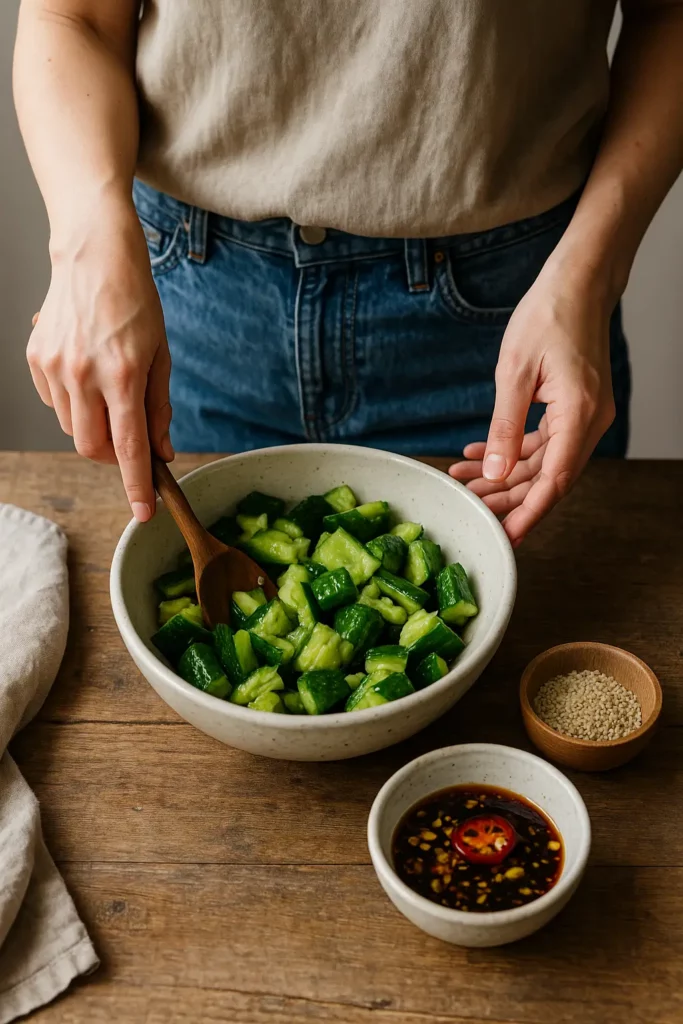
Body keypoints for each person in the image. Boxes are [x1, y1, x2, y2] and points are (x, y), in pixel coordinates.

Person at [13, 1, 683, 547]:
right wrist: (84, 240)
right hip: (190, 301)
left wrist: (591, 275)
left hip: (515, 314)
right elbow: (73, 19)